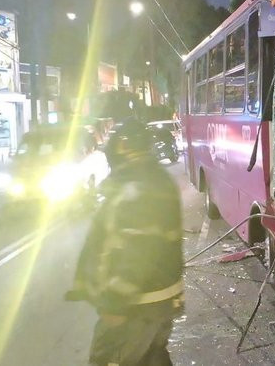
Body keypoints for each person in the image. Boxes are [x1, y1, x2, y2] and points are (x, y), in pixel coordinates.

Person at [66, 119, 184, 366]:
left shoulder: (137, 188)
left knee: (109, 359)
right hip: (155, 301)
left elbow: (137, 251)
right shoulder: (149, 179)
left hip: (138, 306)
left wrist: (115, 302)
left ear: (123, 148)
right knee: (152, 358)